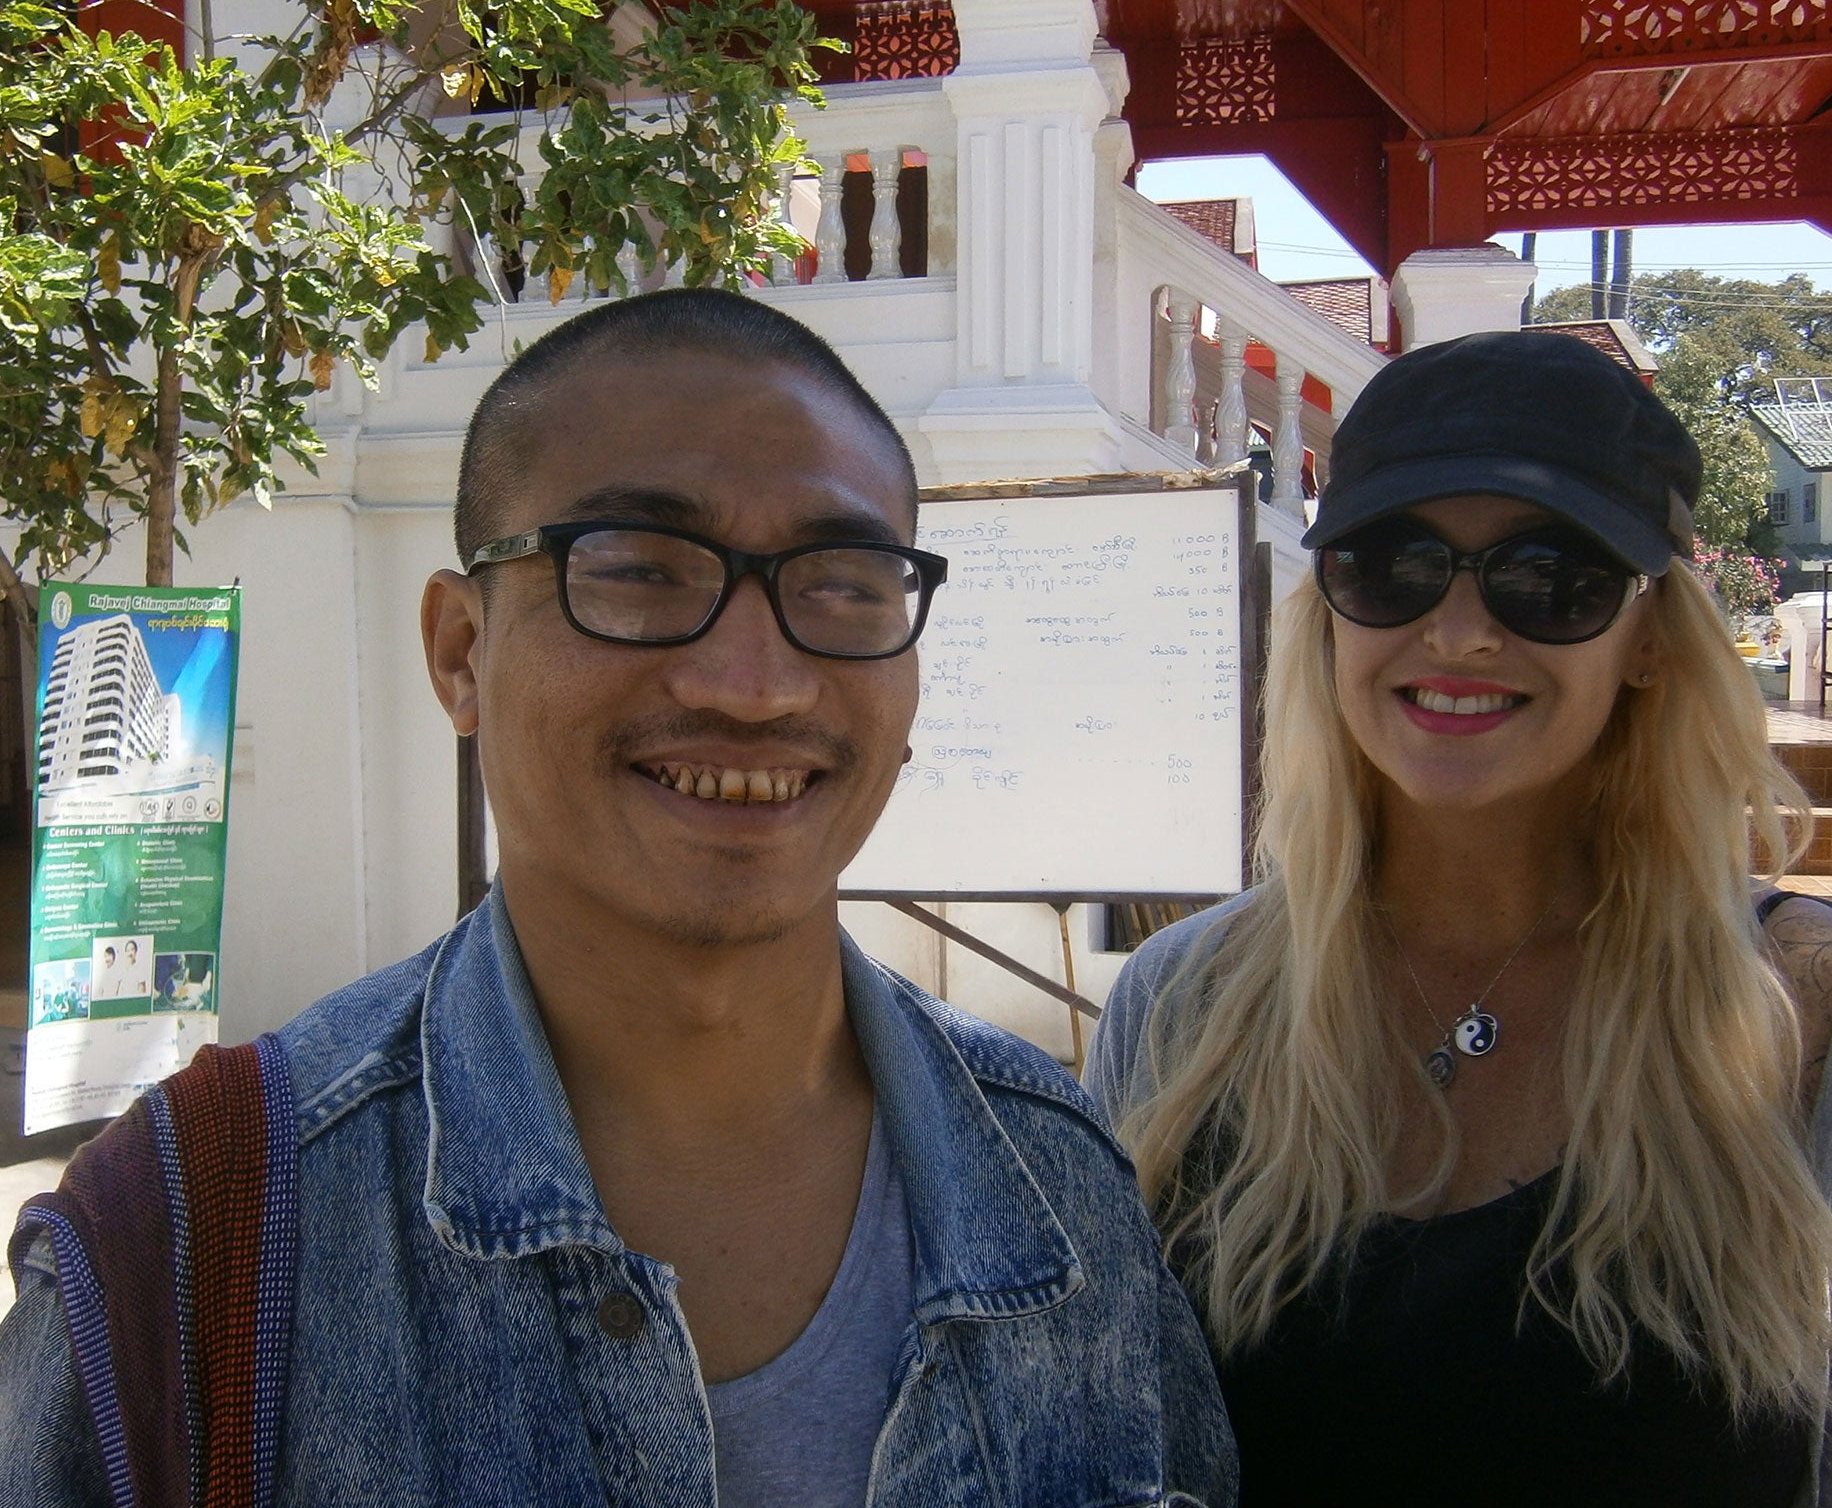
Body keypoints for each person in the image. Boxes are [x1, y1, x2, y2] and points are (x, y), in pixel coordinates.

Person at [3, 288, 1236, 1507]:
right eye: (639, 570)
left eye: (843, 583)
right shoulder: (196, 1234)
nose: (755, 687)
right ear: (460, 651)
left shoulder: (1056, 1178)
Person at [1085, 331, 1832, 1508]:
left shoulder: (1802, 998)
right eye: (1390, 565)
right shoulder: (1185, 1001)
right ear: (1329, 613)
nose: (1457, 632)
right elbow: (1094, 1439)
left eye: (1549, 575)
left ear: (1651, 635)